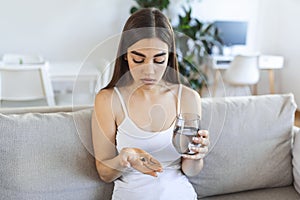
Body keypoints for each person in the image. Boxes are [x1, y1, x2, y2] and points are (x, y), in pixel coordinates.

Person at [92, 8, 209, 200]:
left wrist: (197, 155)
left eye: (159, 60)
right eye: (138, 59)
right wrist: (124, 158)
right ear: (125, 55)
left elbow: (191, 170)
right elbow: (104, 173)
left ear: (169, 57)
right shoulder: (108, 100)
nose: (149, 70)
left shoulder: (187, 97)